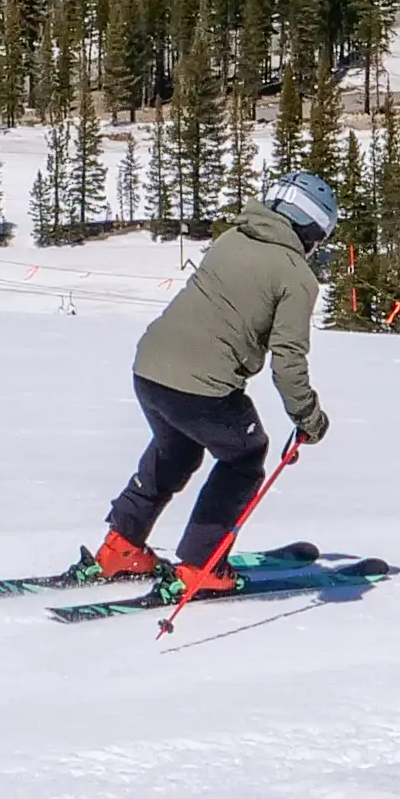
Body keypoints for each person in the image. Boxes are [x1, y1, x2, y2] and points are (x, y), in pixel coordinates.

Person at [91, 167, 341, 593]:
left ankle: (121, 545)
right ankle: (200, 566)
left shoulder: (231, 239)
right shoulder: (296, 276)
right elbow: (288, 359)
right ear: (309, 228)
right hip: (201, 387)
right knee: (245, 455)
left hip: (150, 369)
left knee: (177, 450)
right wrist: (309, 417)